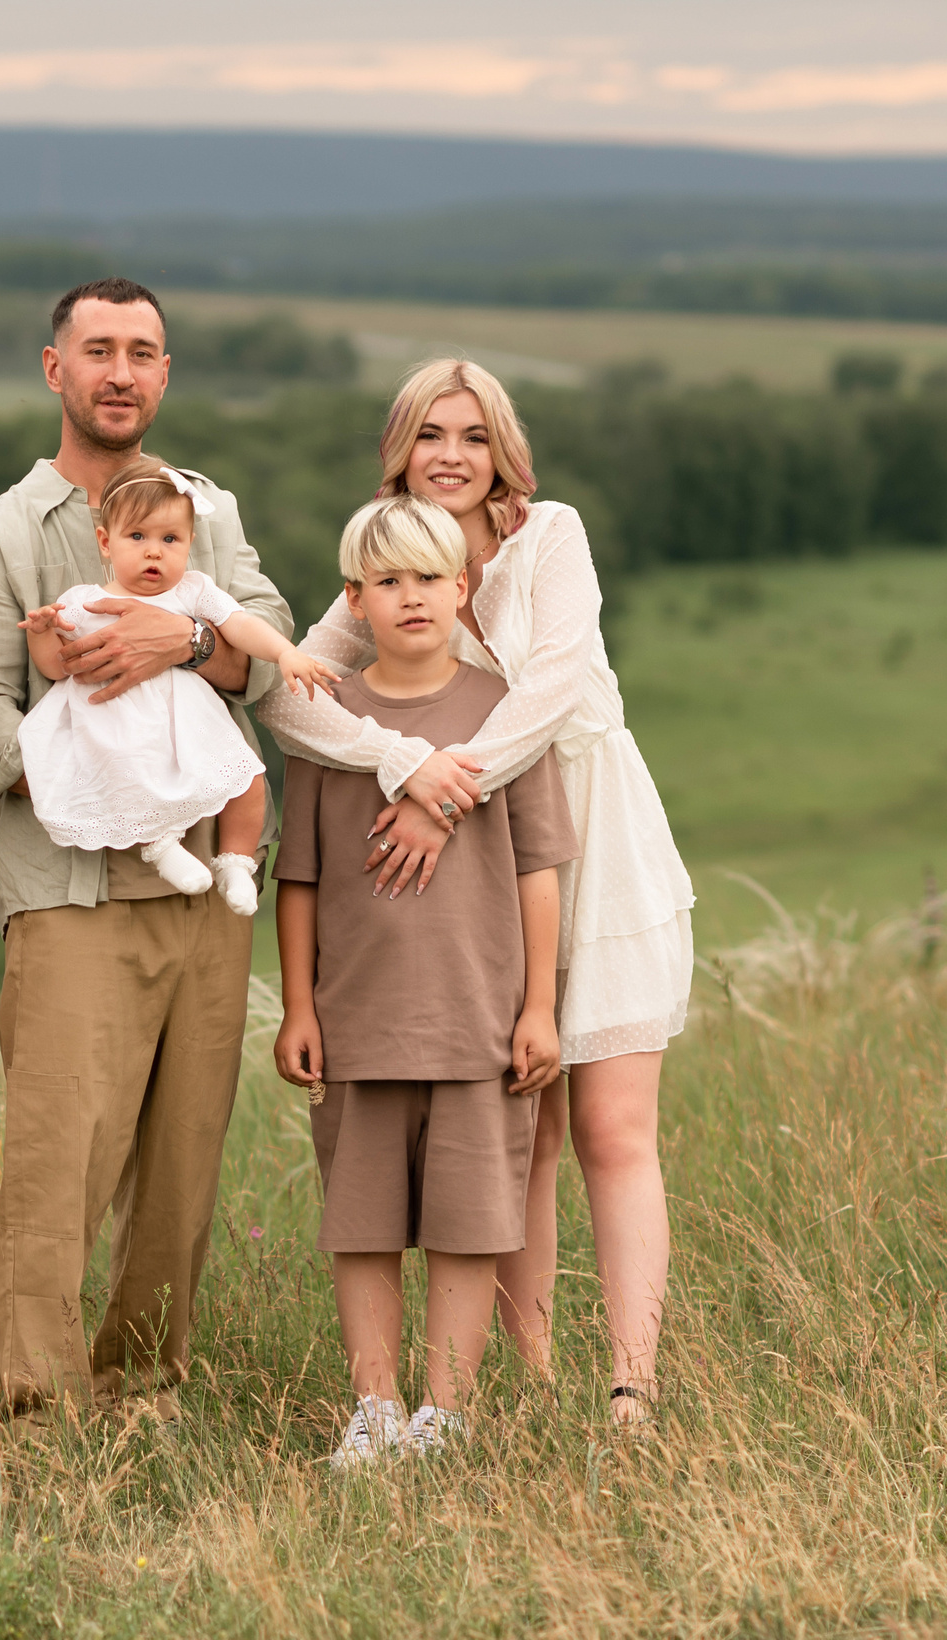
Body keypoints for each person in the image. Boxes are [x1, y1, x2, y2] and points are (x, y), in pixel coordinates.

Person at [259, 358, 695, 1427]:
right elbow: (292, 697)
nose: (449, 455)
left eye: (470, 435)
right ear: (397, 452)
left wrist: (443, 791)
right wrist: (404, 766)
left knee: (612, 1125)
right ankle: (532, 1378)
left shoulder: (551, 537)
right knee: (521, 1128)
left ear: (503, 450)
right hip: (470, 860)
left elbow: (547, 684)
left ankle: (632, 1381)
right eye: (426, 435)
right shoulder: (392, 563)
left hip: (584, 823)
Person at [0, 277, 295, 1419]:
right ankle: (34, 1407)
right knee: (63, 1152)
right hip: (70, 885)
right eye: (96, 350)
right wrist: (79, 769)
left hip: (208, 881)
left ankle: (142, 1382)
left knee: (185, 1148)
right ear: (54, 370)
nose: (120, 371)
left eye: (142, 352)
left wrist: (186, 638)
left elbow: (270, 651)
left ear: (164, 376)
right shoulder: (5, 533)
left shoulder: (211, 512)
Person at [274, 497, 576, 1466]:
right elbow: (301, 877)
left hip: (479, 1022)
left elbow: (537, 869)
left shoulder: (503, 714)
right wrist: (296, 1006)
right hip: (358, 1019)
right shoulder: (329, 721)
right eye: (386, 582)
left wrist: (536, 1009)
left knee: (465, 1225)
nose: (410, 599)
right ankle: (373, 1409)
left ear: (464, 588)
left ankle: (441, 1419)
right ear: (354, 601)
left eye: (428, 579)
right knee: (361, 1226)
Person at [17, 455, 336, 916]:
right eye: (138, 537)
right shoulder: (85, 603)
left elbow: (240, 624)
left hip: (188, 717)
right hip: (118, 720)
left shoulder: (193, 590)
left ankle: (237, 863)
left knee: (246, 778)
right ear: (106, 542)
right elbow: (55, 668)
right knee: (127, 768)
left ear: (189, 544)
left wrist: (284, 651)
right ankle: (161, 845)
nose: (154, 551)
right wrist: (43, 631)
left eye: (170, 539)